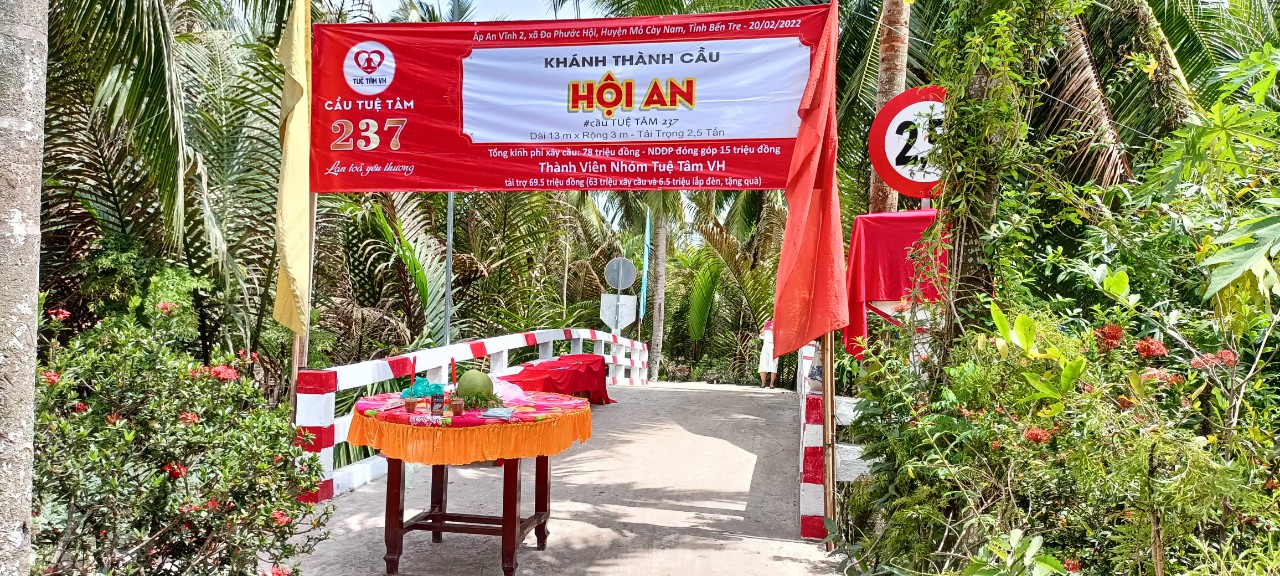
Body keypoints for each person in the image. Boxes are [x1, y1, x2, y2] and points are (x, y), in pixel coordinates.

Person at [758, 318, 777, 388]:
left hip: (774, 346)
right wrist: (764, 326)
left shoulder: (778, 327)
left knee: (773, 364)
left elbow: (779, 337)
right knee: (763, 364)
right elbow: (761, 337)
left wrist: (773, 330)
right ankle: (763, 384)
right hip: (765, 345)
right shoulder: (766, 327)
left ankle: (771, 384)